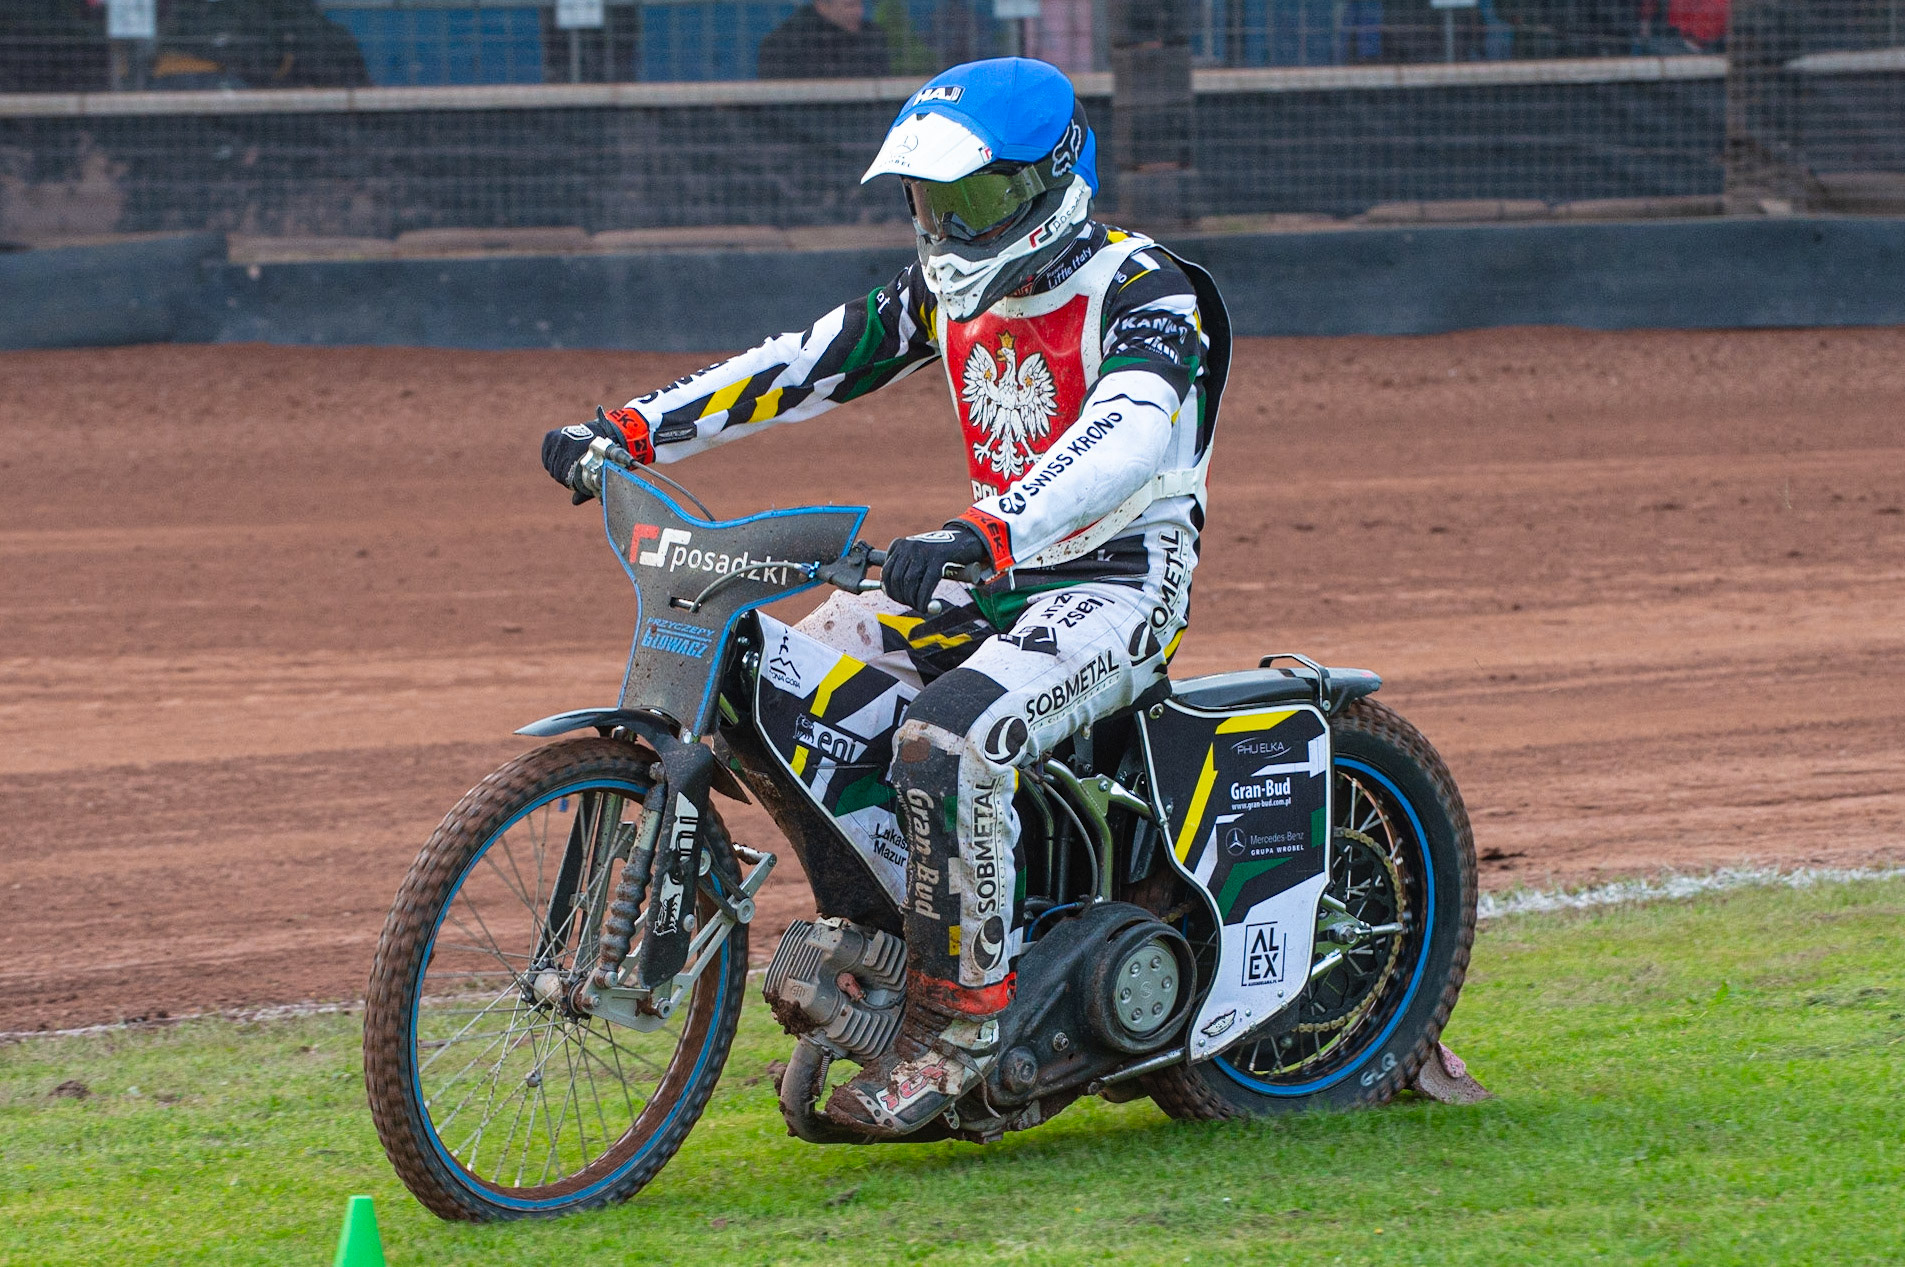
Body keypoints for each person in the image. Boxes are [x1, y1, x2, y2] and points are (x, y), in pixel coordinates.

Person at [541, 57, 1229, 1139]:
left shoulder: (1143, 289)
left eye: (977, 201)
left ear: (1054, 178)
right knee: (764, 674)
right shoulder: (942, 292)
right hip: (983, 578)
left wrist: (988, 530)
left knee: (948, 740)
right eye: (932, 204)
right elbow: (809, 362)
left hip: (1113, 589)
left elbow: (1130, 432)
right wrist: (633, 426)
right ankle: (891, 947)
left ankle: (966, 1032)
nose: (951, 228)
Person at [757, 0, 890, 80]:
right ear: (822, 6)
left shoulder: (872, 36)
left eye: (860, 4)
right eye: (850, 6)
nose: (859, 12)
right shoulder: (786, 44)